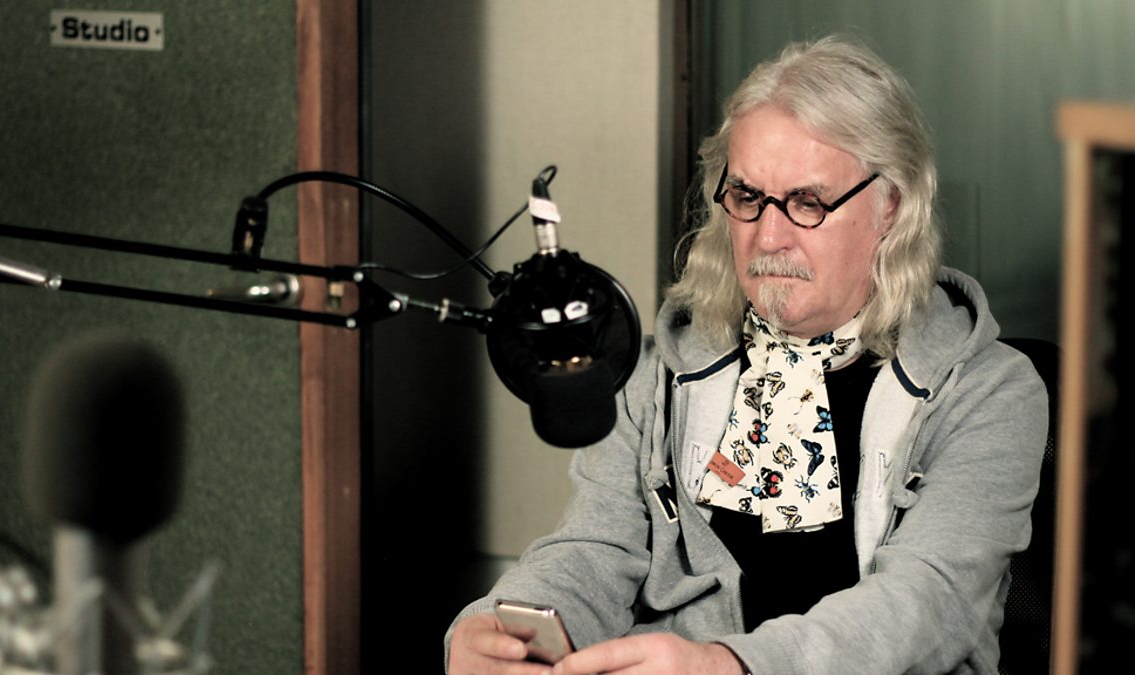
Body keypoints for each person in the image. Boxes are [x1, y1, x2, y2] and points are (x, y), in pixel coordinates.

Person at [446, 36, 1047, 674]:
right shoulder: (653, 372)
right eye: (748, 198)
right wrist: (508, 625)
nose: (768, 236)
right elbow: (593, 549)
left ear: (890, 207)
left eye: (808, 202)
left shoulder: (991, 391)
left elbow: (927, 604)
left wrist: (727, 666)